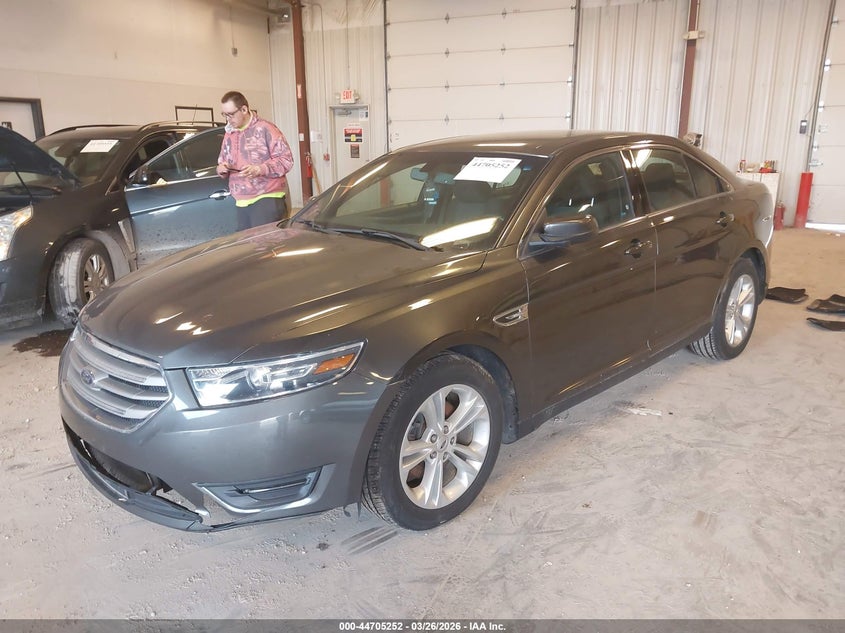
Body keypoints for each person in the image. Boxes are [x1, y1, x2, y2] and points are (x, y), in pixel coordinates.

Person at [216, 91, 295, 229]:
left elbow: (286, 160)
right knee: (248, 248)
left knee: (266, 246)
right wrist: (221, 169)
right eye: (225, 115)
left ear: (244, 109)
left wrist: (260, 169)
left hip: (267, 197)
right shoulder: (229, 134)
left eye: (231, 114)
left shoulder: (266, 129)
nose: (228, 119)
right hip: (240, 200)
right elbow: (222, 161)